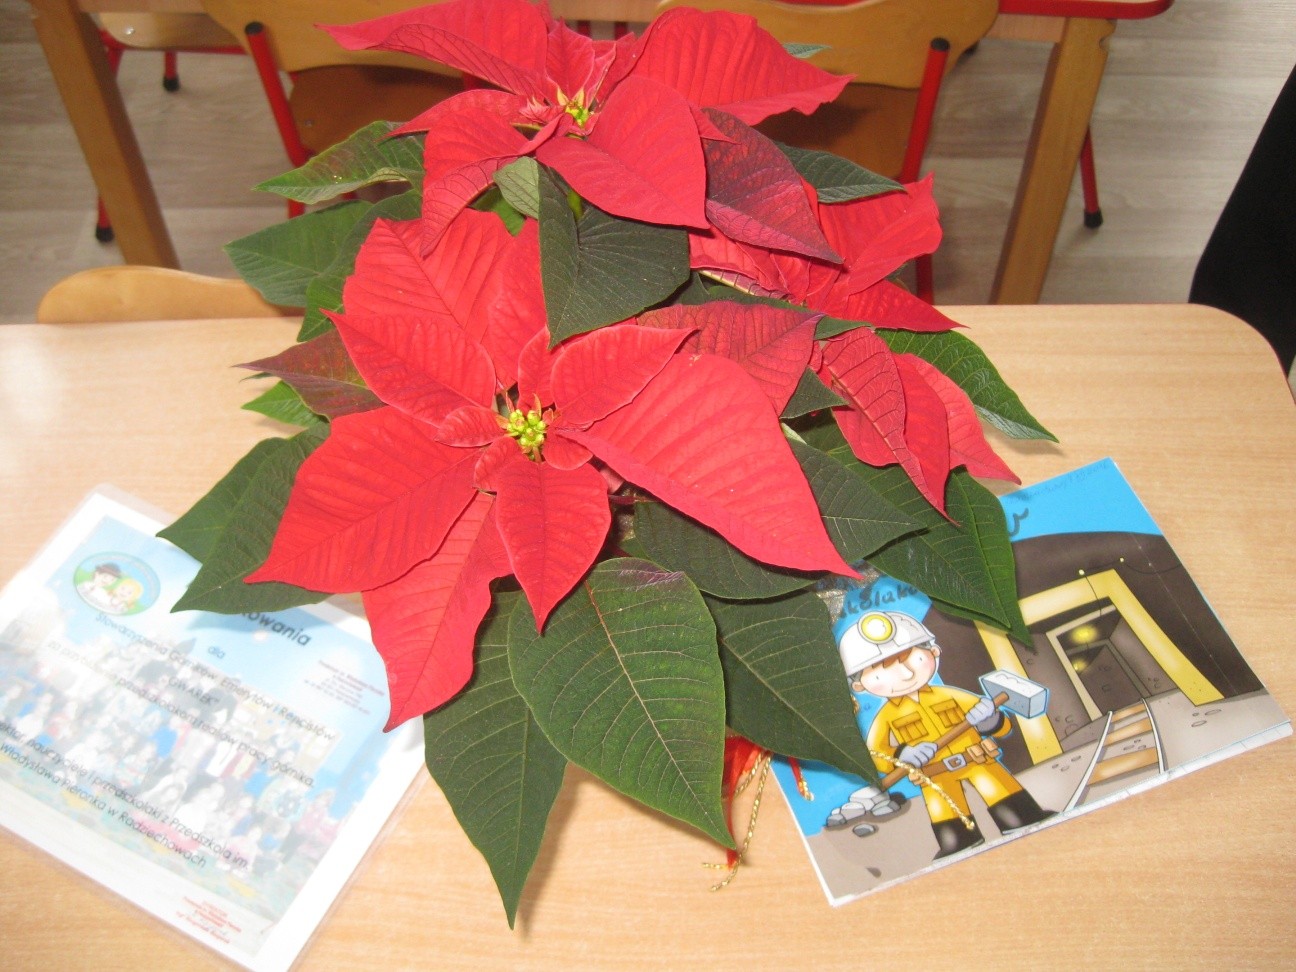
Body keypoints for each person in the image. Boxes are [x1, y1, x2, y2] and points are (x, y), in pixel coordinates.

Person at [831, 610, 1053, 859]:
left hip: (977, 760)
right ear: (859, 685)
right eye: (883, 672)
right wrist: (904, 754)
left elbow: (1003, 727)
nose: (906, 674)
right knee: (944, 810)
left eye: (914, 659)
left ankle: (1022, 818)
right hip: (933, 774)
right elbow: (875, 754)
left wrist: (990, 719)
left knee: (1000, 790)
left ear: (934, 652)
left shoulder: (951, 695)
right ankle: (958, 841)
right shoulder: (885, 718)